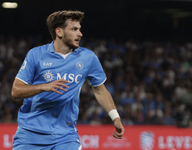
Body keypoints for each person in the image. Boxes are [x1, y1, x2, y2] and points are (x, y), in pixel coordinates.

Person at [11, 10, 125, 150]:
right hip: (30, 134)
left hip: (65, 136)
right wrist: (45, 86)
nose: (80, 34)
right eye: (74, 29)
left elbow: (100, 90)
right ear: (59, 32)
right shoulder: (36, 55)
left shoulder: (88, 58)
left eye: (80, 29)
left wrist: (116, 118)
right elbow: (16, 91)